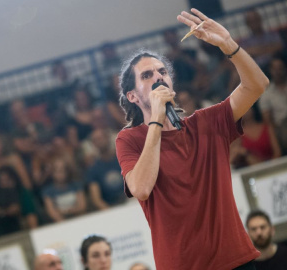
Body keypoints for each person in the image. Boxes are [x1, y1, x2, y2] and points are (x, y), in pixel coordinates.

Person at [115, 8, 269, 270]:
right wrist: (156, 121)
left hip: (236, 260)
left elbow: (257, 85)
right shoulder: (129, 139)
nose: (158, 77)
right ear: (132, 96)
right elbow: (140, 188)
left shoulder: (206, 122)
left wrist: (229, 45)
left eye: (162, 71)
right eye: (147, 75)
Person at [86, 128, 126, 210]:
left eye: (100, 138)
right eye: (95, 140)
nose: (99, 141)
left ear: (107, 138)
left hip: (133, 201)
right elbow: (96, 200)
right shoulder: (93, 169)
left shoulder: (123, 158)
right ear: (93, 144)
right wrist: (111, 213)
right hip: (111, 208)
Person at [42, 158, 86, 222]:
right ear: (52, 173)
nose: (60, 174)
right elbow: (52, 213)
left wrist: (66, 211)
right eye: (57, 171)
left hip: (79, 219)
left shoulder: (76, 185)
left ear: (67, 171)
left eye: (63, 170)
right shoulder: (47, 191)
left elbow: (82, 206)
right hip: (60, 223)